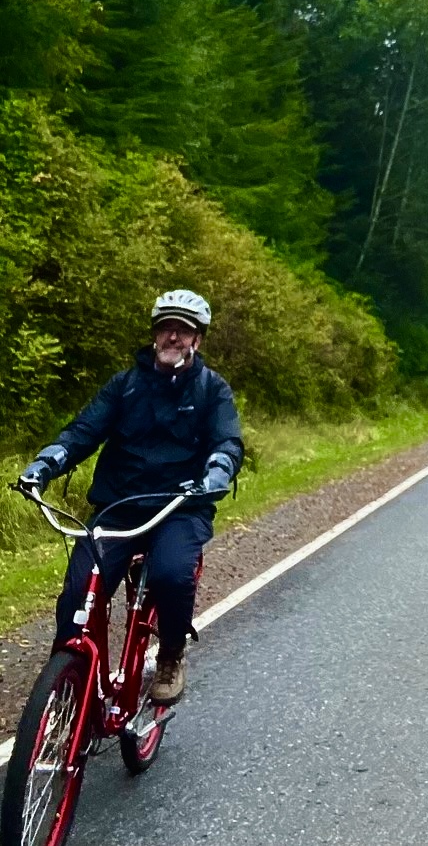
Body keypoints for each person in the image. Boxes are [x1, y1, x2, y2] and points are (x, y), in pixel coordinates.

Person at [20, 288, 243, 705]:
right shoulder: (125, 386)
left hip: (180, 507)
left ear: (197, 340)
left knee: (171, 575)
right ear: (154, 334)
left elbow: (227, 443)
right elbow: (83, 432)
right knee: (79, 590)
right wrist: (45, 464)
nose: (172, 337)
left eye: (183, 331)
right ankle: (66, 683)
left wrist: (217, 471)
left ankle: (171, 654)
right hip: (119, 506)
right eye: (165, 328)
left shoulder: (212, 390)